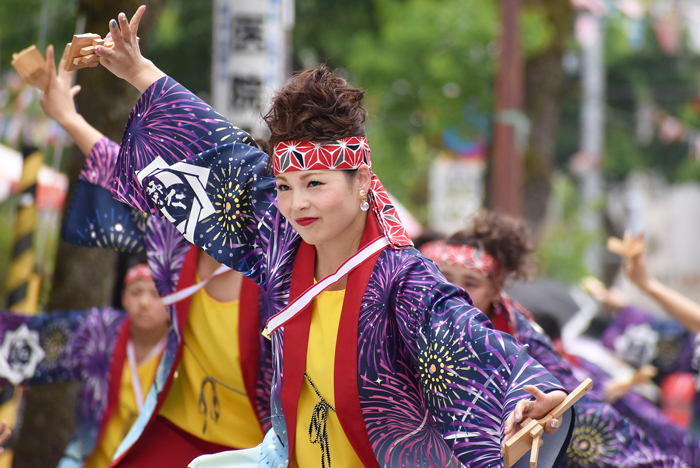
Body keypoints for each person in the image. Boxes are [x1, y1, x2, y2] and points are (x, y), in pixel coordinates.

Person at [93, 7, 576, 467]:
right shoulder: (282, 242)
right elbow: (218, 150)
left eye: (315, 184)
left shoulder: (401, 281)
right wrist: (139, 71)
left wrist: (527, 395)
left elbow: (466, 341)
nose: (296, 203)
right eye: (284, 186)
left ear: (362, 181)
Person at [37, 45, 272, 466]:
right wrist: (67, 117)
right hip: (178, 426)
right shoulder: (174, 239)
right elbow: (114, 165)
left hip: (255, 445)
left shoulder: (277, 266)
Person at [421, 209, 694, 467]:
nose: (457, 291)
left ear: (496, 291)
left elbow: (570, 394)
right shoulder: (416, 318)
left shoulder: (520, 331)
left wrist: (548, 401)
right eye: (446, 278)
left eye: (471, 283)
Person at [0, 262, 165, 468]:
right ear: (123, 297)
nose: (144, 302)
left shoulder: (183, 350)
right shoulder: (100, 332)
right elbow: (42, 338)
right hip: (88, 458)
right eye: (136, 292)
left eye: (156, 294)